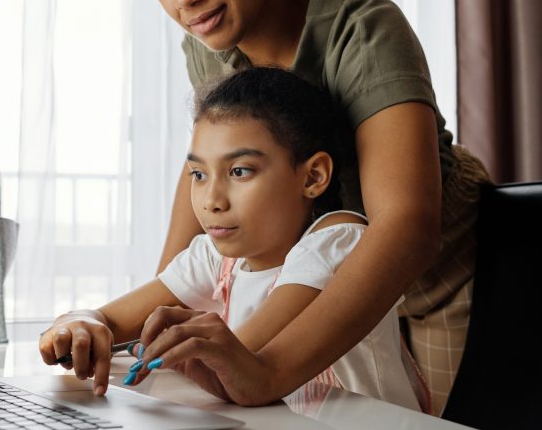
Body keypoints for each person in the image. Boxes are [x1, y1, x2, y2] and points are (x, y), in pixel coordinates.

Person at [110, 0, 492, 414]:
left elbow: (405, 227)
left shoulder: (364, 29)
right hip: (316, 274)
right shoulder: (208, 37)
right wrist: (151, 324)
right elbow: (209, 162)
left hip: (436, 276)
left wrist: (265, 371)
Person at [39, 67, 422, 411]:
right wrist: (78, 324)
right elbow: (109, 318)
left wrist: (160, 345)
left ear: (313, 177)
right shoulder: (216, 258)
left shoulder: (338, 241)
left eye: (239, 171)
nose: (211, 201)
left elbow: (240, 361)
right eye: (199, 174)